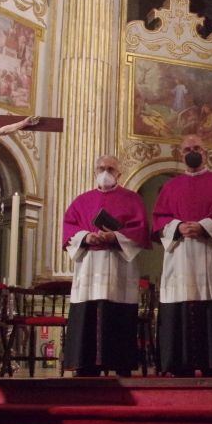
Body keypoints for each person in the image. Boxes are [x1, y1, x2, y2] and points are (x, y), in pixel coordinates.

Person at [152, 135, 212, 376]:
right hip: (180, 255)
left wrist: (204, 226)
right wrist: (178, 226)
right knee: (180, 301)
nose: (192, 152)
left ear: (206, 153)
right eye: (187, 149)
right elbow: (159, 220)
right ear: (180, 154)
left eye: (197, 148)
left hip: (210, 253)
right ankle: (179, 364)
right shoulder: (170, 187)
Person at [61, 155, 150, 377]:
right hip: (89, 265)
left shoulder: (132, 199)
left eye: (111, 168)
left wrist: (115, 236)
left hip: (118, 264)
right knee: (88, 313)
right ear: (95, 171)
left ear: (119, 174)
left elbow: (140, 229)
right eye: (101, 168)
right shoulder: (81, 201)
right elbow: (69, 226)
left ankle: (120, 363)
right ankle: (85, 363)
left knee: (117, 311)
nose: (105, 172)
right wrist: (85, 237)